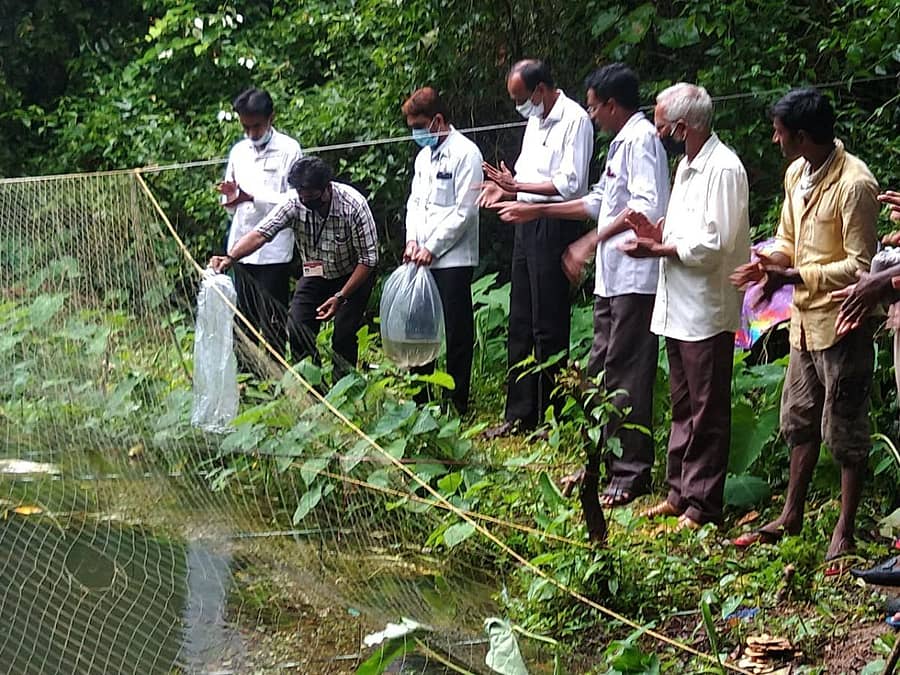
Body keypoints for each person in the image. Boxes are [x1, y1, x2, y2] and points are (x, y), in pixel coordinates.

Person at [494, 63, 669, 507]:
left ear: (611, 105)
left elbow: (643, 208)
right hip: (611, 280)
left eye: (595, 108)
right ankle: (598, 461)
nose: (591, 116)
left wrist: (592, 240)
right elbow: (598, 201)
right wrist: (535, 209)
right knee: (598, 370)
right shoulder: (621, 143)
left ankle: (629, 472)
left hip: (635, 275)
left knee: (626, 372)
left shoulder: (642, 139)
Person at [730, 88, 879, 571]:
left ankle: (844, 529)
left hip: (842, 322)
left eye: (779, 132)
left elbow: (860, 267)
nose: (774, 139)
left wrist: (793, 275)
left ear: (803, 135)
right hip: (801, 321)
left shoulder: (856, 184)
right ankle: (791, 514)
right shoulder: (797, 172)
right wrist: (766, 264)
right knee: (799, 420)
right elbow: (788, 241)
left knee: (845, 428)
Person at [624, 82, 750, 530]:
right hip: (676, 305)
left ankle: (704, 505)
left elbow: (714, 243)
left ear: (684, 125)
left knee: (707, 409)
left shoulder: (725, 168)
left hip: (706, 307)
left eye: (662, 119)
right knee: (682, 405)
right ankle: (679, 493)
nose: (659, 127)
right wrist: (656, 236)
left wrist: (659, 250)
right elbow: (681, 234)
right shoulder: (686, 166)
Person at [479, 59, 594, 437]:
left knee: (549, 323)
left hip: (554, 221)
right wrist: (507, 186)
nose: (519, 107)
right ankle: (519, 413)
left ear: (541, 89)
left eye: (522, 98)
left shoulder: (574, 119)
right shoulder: (535, 120)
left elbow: (571, 184)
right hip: (525, 221)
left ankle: (553, 415)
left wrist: (519, 188)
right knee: (521, 320)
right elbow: (525, 174)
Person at [210, 157, 378, 381]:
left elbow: (368, 260)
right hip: (316, 273)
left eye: (313, 199)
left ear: (327, 188)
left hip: (354, 274)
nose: (307, 203)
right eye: (303, 198)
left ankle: (345, 391)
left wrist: (340, 296)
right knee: (298, 328)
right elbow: (261, 234)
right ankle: (313, 390)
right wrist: (230, 257)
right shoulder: (294, 203)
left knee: (343, 335)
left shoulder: (353, 206)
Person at [402, 87, 483, 414]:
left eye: (420, 125)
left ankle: (457, 400)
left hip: (453, 257)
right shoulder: (424, 156)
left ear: (437, 120)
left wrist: (433, 248)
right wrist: (411, 240)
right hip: (418, 256)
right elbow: (415, 203)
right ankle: (421, 397)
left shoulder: (466, 153)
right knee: (419, 328)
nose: (416, 133)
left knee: (456, 328)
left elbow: (465, 211)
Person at [219, 88, 302, 358]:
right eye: (246, 127)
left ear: (270, 118)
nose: (252, 133)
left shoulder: (290, 150)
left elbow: (294, 202)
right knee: (244, 317)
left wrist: (253, 197)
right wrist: (232, 200)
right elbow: (233, 204)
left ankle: (276, 372)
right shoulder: (239, 151)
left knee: (274, 318)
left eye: (256, 126)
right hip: (241, 247)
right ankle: (248, 376)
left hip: (274, 251)